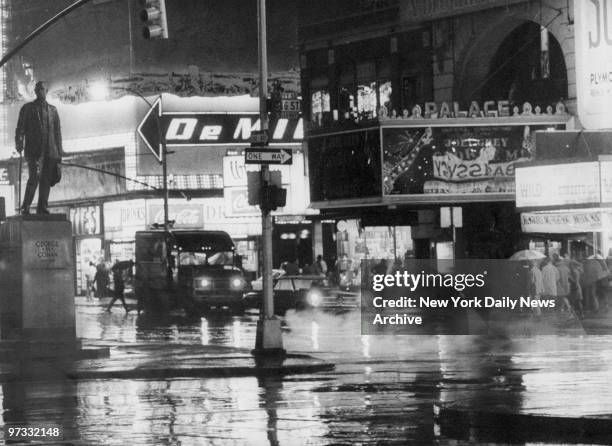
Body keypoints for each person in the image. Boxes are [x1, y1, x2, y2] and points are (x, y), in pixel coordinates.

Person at [15, 81, 64, 215]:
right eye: (38, 89)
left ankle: (42, 207)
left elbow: (57, 133)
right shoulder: (28, 108)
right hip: (34, 151)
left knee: (46, 180)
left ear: (46, 91)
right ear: (35, 92)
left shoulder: (53, 110)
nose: (40, 91)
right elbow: (20, 129)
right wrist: (19, 143)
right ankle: (25, 207)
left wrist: (59, 152)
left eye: (42, 89)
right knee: (34, 178)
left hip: (50, 151)